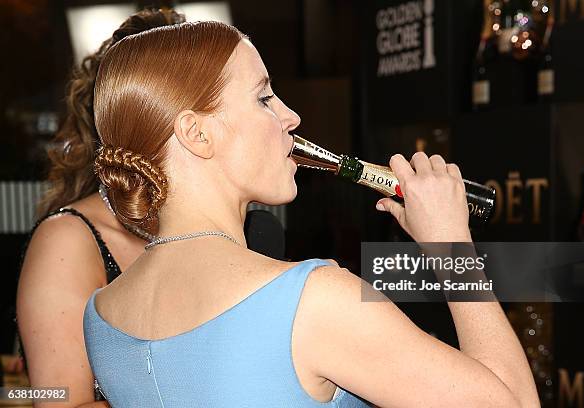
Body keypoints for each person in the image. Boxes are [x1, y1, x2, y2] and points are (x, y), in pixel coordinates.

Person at [83, 21, 540, 407]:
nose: (291, 115)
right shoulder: (312, 303)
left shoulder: (101, 314)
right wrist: (450, 244)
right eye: (264, 98)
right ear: (197, 134)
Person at [16, 9, 185, 407]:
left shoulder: (246, 229)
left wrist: (368, 236)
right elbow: (55, 401)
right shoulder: (68, 242)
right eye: (260, 98)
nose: (287, 118)